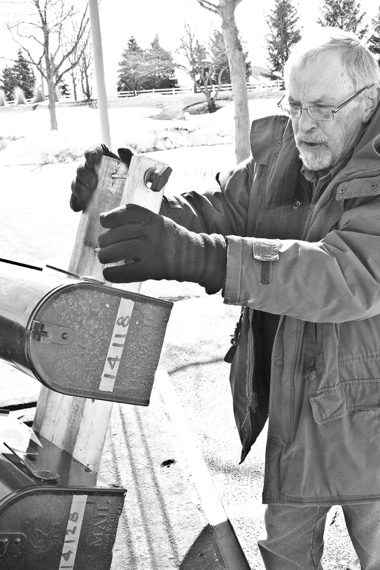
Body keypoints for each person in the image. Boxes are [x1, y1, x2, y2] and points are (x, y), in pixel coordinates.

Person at [70, 27, 380, 570]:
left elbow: (344, 276)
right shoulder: (280, 159)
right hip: (297, 415)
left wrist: (209, 258)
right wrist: (128, 199)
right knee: (284, 556)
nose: (304, 126)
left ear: (369, 101)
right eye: (294, 105)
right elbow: (214, 213)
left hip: (370, 427)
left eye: (324, 109)